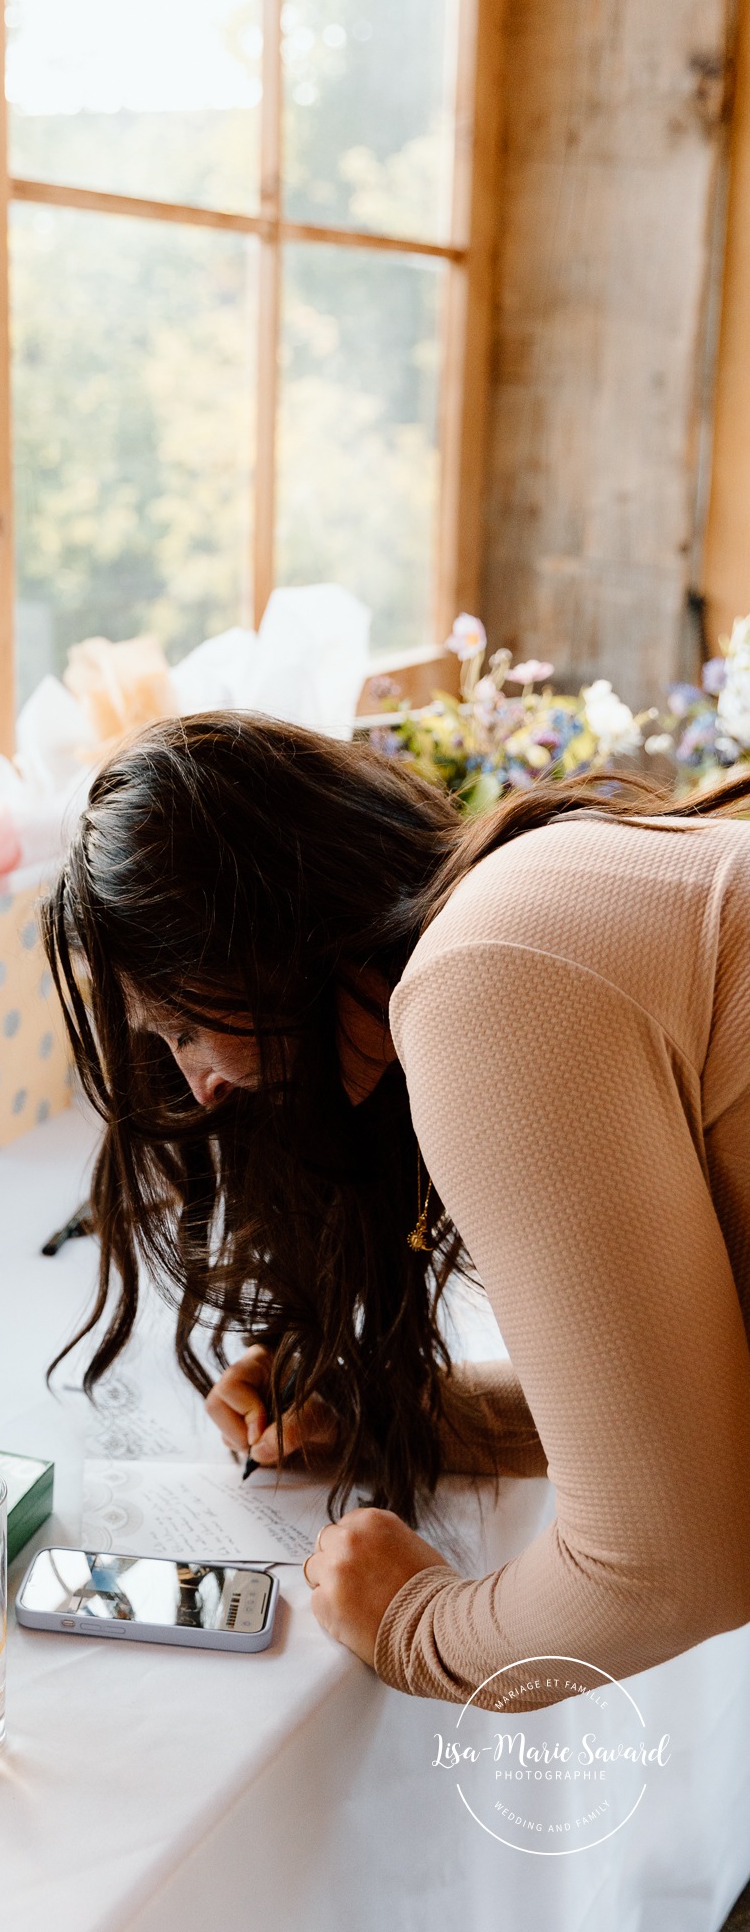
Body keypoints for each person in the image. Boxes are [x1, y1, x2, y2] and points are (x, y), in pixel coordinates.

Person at [43, 710, 750, 1705]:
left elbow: (674, 1564)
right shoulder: (529, 896)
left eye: (181, 1026)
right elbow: (706, 1417)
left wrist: (412, 1623)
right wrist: (398, 1417)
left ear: (255, 943)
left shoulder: (485, 974)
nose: (196, 1083)